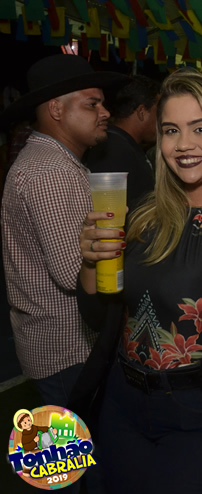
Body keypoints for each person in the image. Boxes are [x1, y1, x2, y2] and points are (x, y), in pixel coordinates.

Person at [70, 69, 202, 493]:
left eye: (201, 129)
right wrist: (90, 262)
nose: (183, 144)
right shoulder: (142, 218)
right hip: (121, 405)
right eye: (171, 130)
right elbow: (98, 317)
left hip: (198, 417)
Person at [1, 54, 127, 406]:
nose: (105, 112)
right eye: (92, 104)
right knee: (78, 442)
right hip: (68, 349)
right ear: (56, 109)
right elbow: (74, 273)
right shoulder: (51, 172)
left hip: (59, 345)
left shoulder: (54, 162)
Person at [85, 75, 161, 209]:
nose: (163, 120)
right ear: (142, 112)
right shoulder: (114, 151)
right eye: (159, 113)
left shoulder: (122, 145)